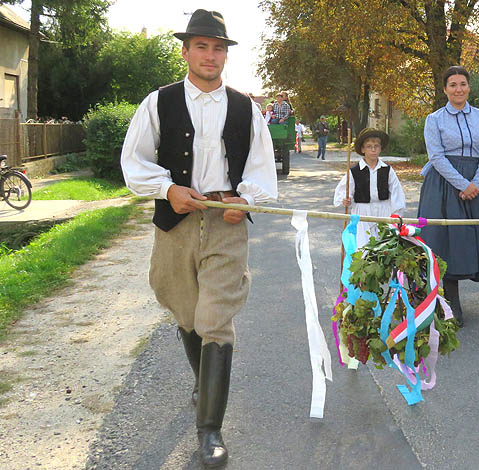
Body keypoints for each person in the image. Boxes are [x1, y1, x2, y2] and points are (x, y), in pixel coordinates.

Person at [119, 9, 277, 467]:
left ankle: (210, 429)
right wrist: (168, 189)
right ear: (186, 51)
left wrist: (244, 198)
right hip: (176, 224)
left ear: (226, 55)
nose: (211, 55)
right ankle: (201, 383)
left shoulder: (246, 107)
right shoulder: (159, 102)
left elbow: (262, 170)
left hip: (226, 227)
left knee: (216, 317)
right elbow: (135, 162)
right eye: (202, 46)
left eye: (219, 47)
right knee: (186, 311)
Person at [417, 65, 479, 327]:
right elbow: (436, 157)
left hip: (478, 183)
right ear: (444, 89)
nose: (458, 89)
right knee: (446, 240)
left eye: (462, 84)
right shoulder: (435, 119)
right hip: (444, 184)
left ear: (468, 87)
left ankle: (450, 296)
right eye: (452, 85)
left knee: (471, 238)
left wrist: (476, 183)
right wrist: (462, 184)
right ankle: (451, 301)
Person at [333, 128, 406, 248]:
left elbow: (396, 193)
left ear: (380, 148)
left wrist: (396, 216)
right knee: (362, 248)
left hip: (383, 213)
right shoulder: (354, 172)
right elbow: (343, 191)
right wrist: (344, 199)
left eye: (376, 146)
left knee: (383, 249)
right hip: (362, 215)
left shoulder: (387, 170)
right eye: (369, 146)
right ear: (363, 149)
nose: (373, 149)